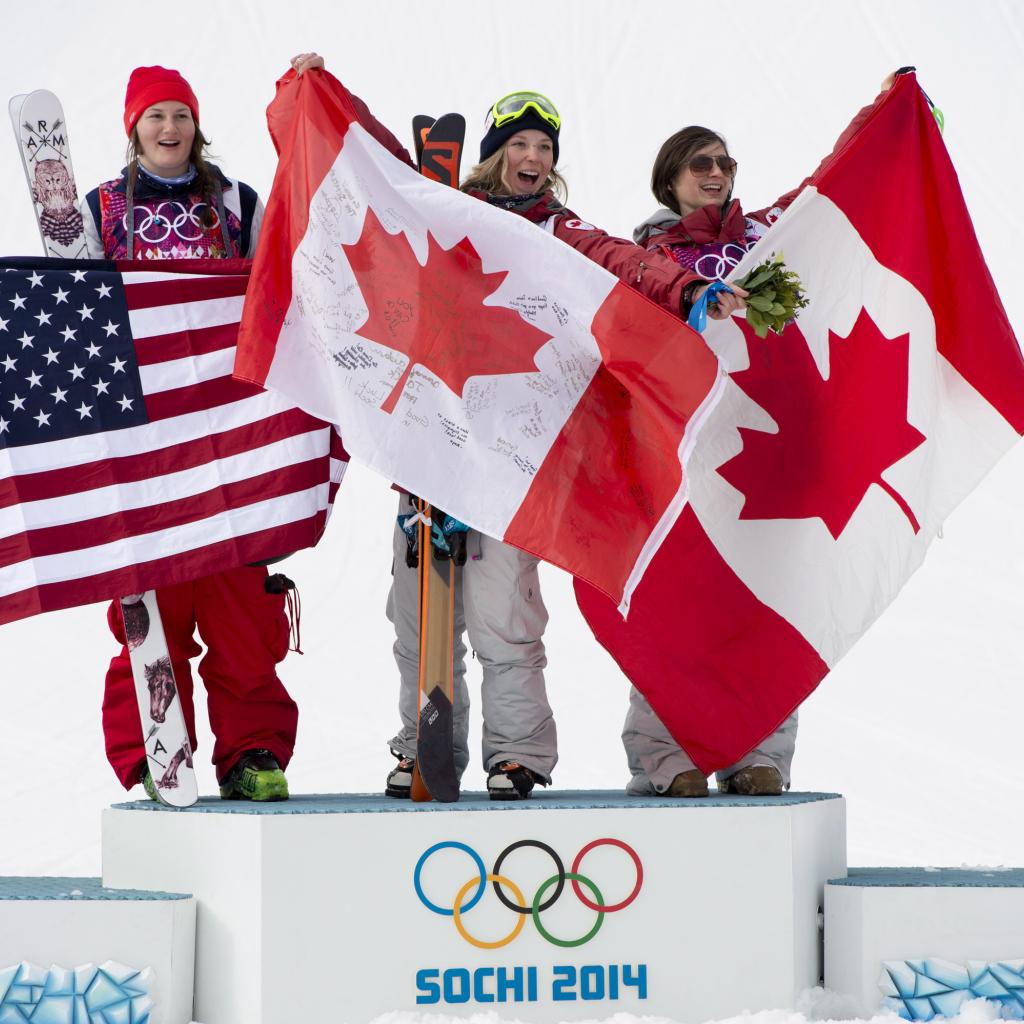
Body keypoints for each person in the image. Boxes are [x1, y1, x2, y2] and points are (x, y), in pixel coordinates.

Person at [289, 53, 734, 800]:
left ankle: (517, 752)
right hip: (432, 443)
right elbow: (372, 163)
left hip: (509, 454)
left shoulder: (557, 231)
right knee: (417, 618)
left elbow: (622, 261)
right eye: (520, 144)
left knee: (506, 614)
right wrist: (326, 93)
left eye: (545, 148)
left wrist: (685, 287)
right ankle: (421, 746)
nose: (533, 157)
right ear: (495, 151)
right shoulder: (438, 205)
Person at [624, 74, 900, 799]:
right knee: (673, 604)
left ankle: (761, 754)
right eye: (701, 163)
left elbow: (830, 185)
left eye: (725, 163)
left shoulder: (768, 233)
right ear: (671, 178)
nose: (717, 174)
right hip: (683, 451)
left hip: (767, 450)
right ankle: (664, 757)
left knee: (767, 603)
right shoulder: (645, 256)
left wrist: (884, 113)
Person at [82, 65, 298, 801]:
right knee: (154, 602)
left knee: (239, 605)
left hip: (229, 430)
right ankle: (154, 743)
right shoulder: (101, 210)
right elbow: (77, 318)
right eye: (155, 117)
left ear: (195, 124)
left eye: (180, 115)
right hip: (144, 436)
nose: (169, 128)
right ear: (133, 128)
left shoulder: (236, 203)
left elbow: (284, 286)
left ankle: (253, 751)